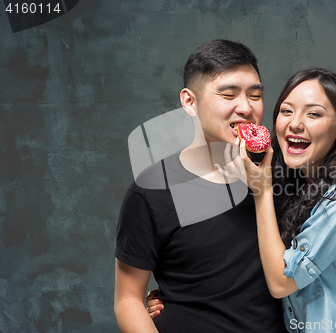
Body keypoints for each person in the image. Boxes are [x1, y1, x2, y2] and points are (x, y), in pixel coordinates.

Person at [150, 68, 336, 332]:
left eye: (313, 113)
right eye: (286, 110)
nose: (295, 123)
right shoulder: (295, 195)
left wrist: (261, 191)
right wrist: (177, 296)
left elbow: (281, 282)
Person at [114, 40, 286, 333]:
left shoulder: (285, 173)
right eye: (228, 94)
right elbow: (128, 300)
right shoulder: (150, 192)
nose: (245, 107)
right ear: (189, 102)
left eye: (255, 95)